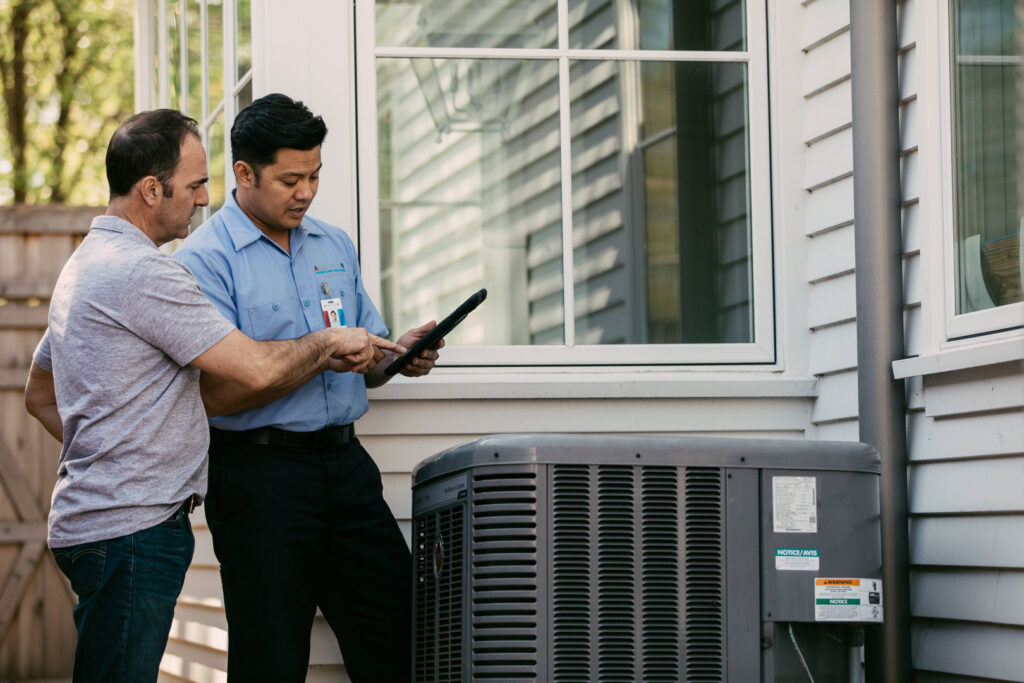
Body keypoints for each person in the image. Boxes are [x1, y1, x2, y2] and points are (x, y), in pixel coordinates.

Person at [23, 109, 403, 683]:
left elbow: (38, 394)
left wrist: (110, 455)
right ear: (153, 189)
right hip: (136, 523)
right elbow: (250, 369)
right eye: (196, 184)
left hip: (113, 517)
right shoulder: (145, 274)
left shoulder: (84, 267)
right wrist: (327, 341)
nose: (204, 198)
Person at [173, 93, 440, 683]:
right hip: (258, 480)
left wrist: (398, 355)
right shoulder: (203, 261)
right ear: (245, 173)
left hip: (346, 469)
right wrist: (321, 356)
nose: (306, 192)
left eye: (315, 175)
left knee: (398, 639)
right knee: (270, 659)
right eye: (291, 178)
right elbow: (213, 397)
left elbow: (365, 354)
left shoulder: (334, 244)